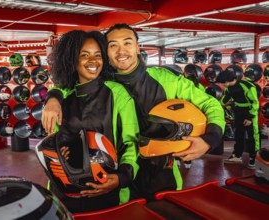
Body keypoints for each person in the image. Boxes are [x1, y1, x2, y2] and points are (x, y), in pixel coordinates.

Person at [42, 24, 225, 201]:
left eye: (127, 43)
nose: (121, 51)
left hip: (159, 175)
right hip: (116, 175)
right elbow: (73, 86)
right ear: (106, 53)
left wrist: (209, 140)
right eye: (113, 45)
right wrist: (54, 97)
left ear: (138, 48)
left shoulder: (165, 80)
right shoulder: (102, 81)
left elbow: (210, 104)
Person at [43, 30, 139, 212]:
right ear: (72, 60)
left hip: (108, 191)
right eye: (84, 55)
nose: (93, 61)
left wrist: (121, 178)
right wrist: (57, 153)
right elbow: (54, 142)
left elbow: (131, 143)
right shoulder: (61, 98)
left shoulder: (117, 94)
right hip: (65, 194)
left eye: (97, 55)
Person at [216, 69, 259, 169]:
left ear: (227, 81)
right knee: (239, 133)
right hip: (239, 110)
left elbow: (255, 103)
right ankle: (238, 155)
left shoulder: (247, 86)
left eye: (222, 83)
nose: (222, 85)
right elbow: (224, 99)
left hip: (250, 111)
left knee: (253, 135)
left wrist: (250, 118)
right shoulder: (229, 88)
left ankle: (254, 157)